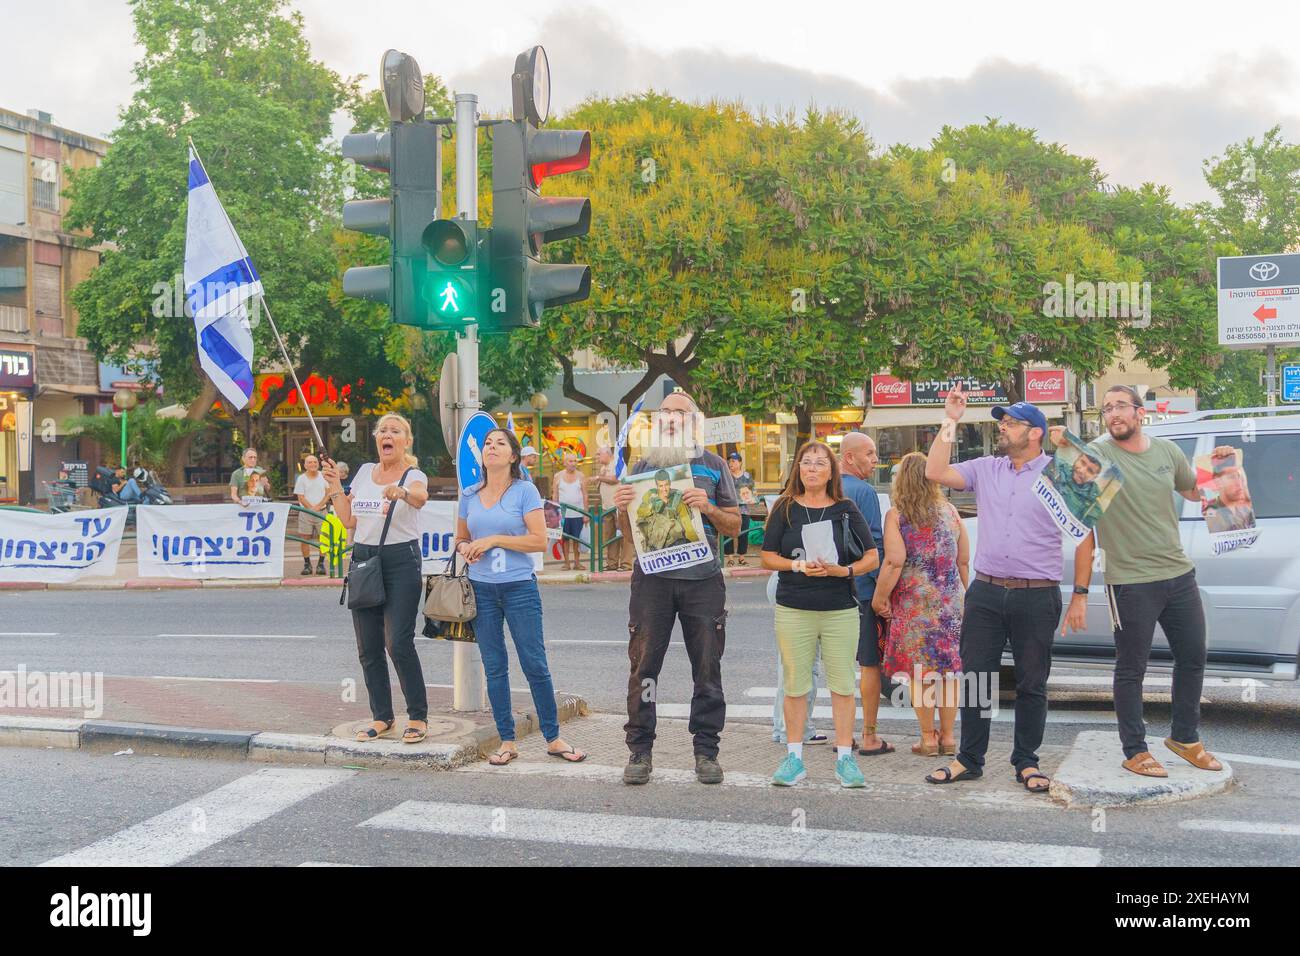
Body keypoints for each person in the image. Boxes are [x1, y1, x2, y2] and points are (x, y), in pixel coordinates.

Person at [1058, 386, 1231, 777]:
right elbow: (1076, 492)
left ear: (1140, 412)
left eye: (1120, 406)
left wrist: (1217, 469)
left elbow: (1191, 490)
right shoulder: (1099, 454)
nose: (1113, 414)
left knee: (1193, 656)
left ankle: (1185, 738)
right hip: (1130, 580)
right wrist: (1064, 450)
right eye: (1106, 409)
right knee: (1131, 668)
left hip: (1178, 572)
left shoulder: (1167, 452)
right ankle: (1135, 750)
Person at [923, 385, 1064, 792]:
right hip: (985, 591)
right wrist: (949, 420)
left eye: (1011, 423)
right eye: (1001, 422)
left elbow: (1092, 513)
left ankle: (1026, 761)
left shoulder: (1058, 472)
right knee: (977, 679)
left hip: (1037, 593)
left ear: (1034, 432)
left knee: (1031, 682)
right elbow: (935, 472)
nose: (1002, 428)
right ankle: (969, 758)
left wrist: (1082, 591)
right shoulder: (987, 467)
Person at [613, 390, 741, 786]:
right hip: (652, 581)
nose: (670, 417)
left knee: (707, 667)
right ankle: (640, 750)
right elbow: (628, 534)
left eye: (679, 412)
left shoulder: (715, 465)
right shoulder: (642, 464)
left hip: (702, 581)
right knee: (644, 667)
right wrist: (621, 507)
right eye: (664, 411)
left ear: (693, 422)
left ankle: (706, 751)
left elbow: (735, 526)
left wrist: (709, 508)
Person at [455, 427, 586, 766]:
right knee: (494, 666)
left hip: (518, 587)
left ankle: (554, 738)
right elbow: (460, 538)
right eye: (487, 443)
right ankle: (507, 740)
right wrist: (467, 546)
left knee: (534, 663)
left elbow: (539, 540)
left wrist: (496, 539)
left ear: (513, 456)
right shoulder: (468, 494)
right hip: (481, 589)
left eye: (500, 443)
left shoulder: (524, 491)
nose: (492, 447)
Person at [761, 440, 879, 787]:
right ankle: (794, 757)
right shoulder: (784, 507)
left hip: (839, 608)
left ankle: (845, 759)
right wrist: (797, 565)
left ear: (832, 472)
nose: (812, 468)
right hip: (794, 606)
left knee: (842, 685)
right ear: (798, 469)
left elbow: (871, 556)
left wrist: (843, 572)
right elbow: (767, 556)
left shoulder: (845, 508)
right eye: (806, 462)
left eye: (819, 463)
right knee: (795, 684)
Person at [322, 413, 430, 745]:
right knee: (368, 647)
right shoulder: (365, 472)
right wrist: (337, 489)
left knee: (397, 641)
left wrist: (401, 493)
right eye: (383, 430)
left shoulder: (414, 474)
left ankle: (418, 716)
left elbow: (420, 497)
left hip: (401, 560)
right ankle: (381, 716)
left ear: (406, 441)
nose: (387, 434)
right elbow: (348, 519)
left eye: (395, 430)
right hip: (364, 559)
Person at [872, 452, 967, 759]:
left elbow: (893, 561)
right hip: (950, 604)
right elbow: (963, 559)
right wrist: (965, 594)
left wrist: (880, 597)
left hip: (914, 605)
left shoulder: (898, 514)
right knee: (948, 672)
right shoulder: (950, 511)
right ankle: (949, 737)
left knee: (919, 674)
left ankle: (927, 738)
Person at [838, 431, 892, 756]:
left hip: (830, 590)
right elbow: (875, 545)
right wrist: (882, 593)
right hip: (862, 589)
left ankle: (840, 735)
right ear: (850, 458)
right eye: (869, 454)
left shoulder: (821, 489)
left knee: (839, 665)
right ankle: (869, 734)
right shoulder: (864, 491)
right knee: (869, 664)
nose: (875, 460)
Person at [635, 469, 700, 550]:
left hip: (674, 543)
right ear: (656, 486)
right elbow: (640, 513)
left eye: (666, 485)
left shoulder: (677, 499)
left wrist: (697, 546)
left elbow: (688, 526)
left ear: (670, 483)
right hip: (654, 544)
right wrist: (654, 504)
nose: (664, 489)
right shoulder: (650, 496)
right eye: (661, 486)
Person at [591, 446, 631, 571]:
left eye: (598, 454)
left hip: (619, 507)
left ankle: (626, 563)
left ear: (607, 454)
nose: (596, 457)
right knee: (610, 536)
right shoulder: (603, 468)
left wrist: (598, 477)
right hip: (606, 507)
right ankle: (612, 563)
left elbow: (615, 479)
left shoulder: (618, 463)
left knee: (624, 535)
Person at [1049, 448, 1105, 526]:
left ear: (1094, 477)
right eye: (1082, 462)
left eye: (1090, 470)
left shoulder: (1093, 507)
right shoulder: (1057, 466)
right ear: (1077, 459)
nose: (1082, 471)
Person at [293, 453, 328, 575]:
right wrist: (311, 508)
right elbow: (300, 497)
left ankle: (321, 564)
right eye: (309, 462)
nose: (313, 464)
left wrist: (318, 507)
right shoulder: (301, 478)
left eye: (315, 462)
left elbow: (328, 493)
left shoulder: (323, 477)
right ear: (305, 465)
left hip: (322, 511)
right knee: (304, 539)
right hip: (305, 513)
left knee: (323, 539)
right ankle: (307, 564)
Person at [1202, 452, 1254, 533]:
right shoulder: (1213, 513)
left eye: (1239, 476)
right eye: (1232, 477)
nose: (1239, 483)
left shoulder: (1244, 511)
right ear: (1218, 481)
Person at [553, 452, 588, 571]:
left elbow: (585, 495)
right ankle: (567, 563)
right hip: (563, 515)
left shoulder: (581, 476)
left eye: (575, 461)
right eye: (570, 461)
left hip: (577, 513)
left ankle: (577, 563)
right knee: (565, 539)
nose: (573, 464)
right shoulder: (557, 476)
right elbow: (555, 495)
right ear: (565, 463)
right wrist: (554, 514)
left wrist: (585, 513)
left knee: (577, 539)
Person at [724, 451, 757, 566]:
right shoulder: (726, 475)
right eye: (729, 461)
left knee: (744, 533)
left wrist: (753, 498)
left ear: (740, 462)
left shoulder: (747, 476)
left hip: (744, 510)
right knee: (728, 532)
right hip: (729, 509)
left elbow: (753, 490)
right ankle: (730, 558)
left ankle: (742, 557)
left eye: (733, 461)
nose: (730, 463)